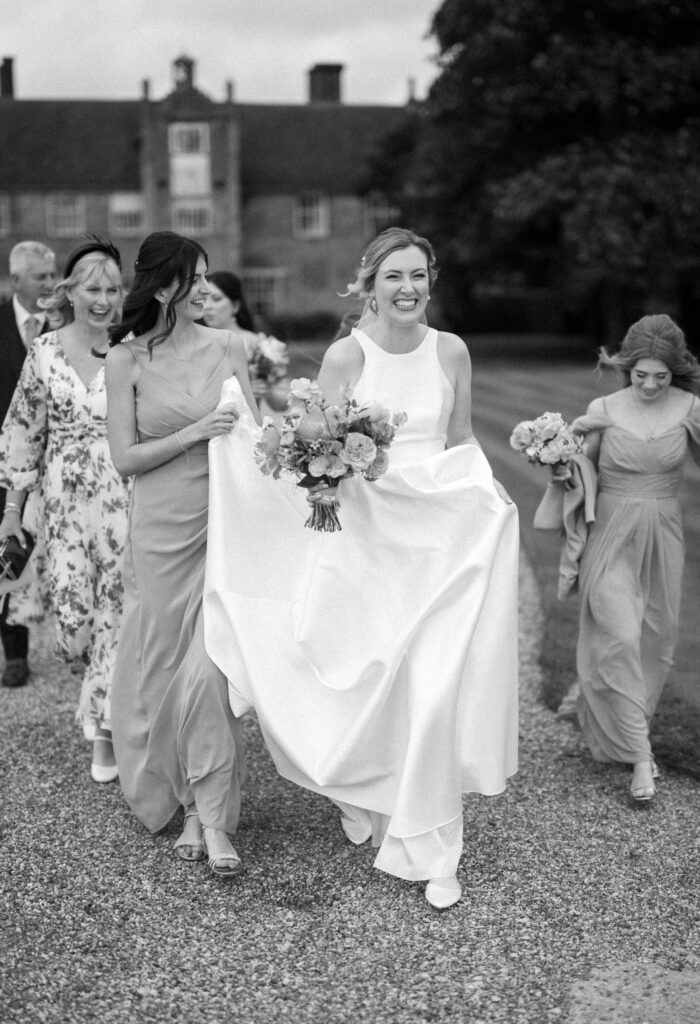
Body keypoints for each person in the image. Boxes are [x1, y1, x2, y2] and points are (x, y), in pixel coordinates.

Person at [204, 227, 519, 908]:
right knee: (361, 681)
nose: (408, 289)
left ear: (431, 281)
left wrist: (487, 497)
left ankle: (432, 849)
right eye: (394, 277)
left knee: (433, 687)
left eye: (418, 275)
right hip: (368, 543)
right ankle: (357, 787)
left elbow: (460, 439)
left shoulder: (453, 351)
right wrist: (319, 468)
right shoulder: (348, 355)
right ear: (370, 285)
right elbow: (311, 446)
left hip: (439, 544)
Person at [105, 231, 259, 877]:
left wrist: (317, 449)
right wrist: (196, 431)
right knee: (167, 667)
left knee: (212, 667)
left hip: (226, 525)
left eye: (206, 279)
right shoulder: (126, 360)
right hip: (161, 529)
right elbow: (124, 458)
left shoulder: (231, 346)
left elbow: (256, 438)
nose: (204, 290)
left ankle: (213, 819)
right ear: (162, 285)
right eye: (193, 279)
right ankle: (189, 805)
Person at [555, 314, 700, 803]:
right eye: (641, 375)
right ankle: (641, 756)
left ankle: (597, 695)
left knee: (653, 641)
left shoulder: (691, 408)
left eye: (661, 376)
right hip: (610, 533)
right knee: (617, 635)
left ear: (675, 371)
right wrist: (561, 454)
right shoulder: (604, 407)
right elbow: (577, 475)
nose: (651, 384)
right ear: (627, 367)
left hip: (663, 534)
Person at [0, 239, 130, 782]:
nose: (103, 299)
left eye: (112, 289)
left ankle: (105, 729)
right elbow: (24, 430)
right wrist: (12, 509)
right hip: (63, 505)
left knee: (118, 614)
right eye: (92, 288)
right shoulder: (46, 350)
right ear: (69, 292)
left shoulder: (133, 348)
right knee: (72, 625)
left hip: (126, 497)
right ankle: (91, 689)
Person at [0, 241, 56, 688]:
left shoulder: (68, 323)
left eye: (53, 275)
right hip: (6, 464)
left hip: (62, 461)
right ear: (16, 279)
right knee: (9, 550)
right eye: (41, 277)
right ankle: (15, 651)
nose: (50, 284)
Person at [203, 271, 289, 416]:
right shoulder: (193, 343)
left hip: (246, 428)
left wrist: (267, 392)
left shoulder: (258, 345)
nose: (207, 306)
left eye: (216, 299)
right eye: (203, 299)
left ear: (236, 305)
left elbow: (283, 403)